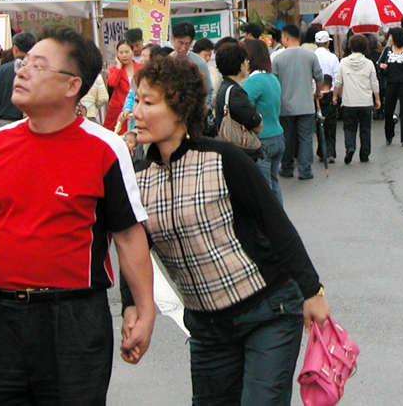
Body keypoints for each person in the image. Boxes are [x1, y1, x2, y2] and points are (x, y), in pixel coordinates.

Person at [0, 27, 156, 405]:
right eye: (23, 63)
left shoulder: (104, 148)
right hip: (4, 315)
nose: (21, 71)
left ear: (72, 86)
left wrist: (144, 311)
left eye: (37, 66)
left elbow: (129, 235)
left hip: (74, 322)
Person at [124, 55, 330, 406]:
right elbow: (134, 251)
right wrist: (133, 308)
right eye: (136, 101)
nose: (136, 112)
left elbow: (275, 225)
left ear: (179, 109)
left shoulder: (222, 158)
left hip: (269, 311)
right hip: (206, 328)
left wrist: (312, 291)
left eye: (148, 102)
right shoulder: (137, 178)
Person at [273, 24, 322, 181]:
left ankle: (286, 167)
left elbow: (274, 81)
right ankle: (305, 169)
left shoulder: (278, 58)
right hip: (306, 105)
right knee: (306, 138)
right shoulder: (310, 56)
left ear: (286, 38)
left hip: (285, 106)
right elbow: (319, 77)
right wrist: (318, 92)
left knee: (287, 137)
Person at [242, 39, 285, 203]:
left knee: (264, 189)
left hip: (262, 139)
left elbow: (246, 110)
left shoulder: (253, 81)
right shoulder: (271, 78)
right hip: (277, 135)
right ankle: (280, 221)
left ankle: (272, 224)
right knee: (273, 184)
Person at [211, 42, 263, 160]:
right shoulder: (236, 92)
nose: (247, 64)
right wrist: (258, 120)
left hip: (224, 145)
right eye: (245, 61)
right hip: (238, 151)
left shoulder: (222, 86)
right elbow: (254, 121)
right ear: (240, 65)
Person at [334, 34, 380, 165]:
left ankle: (350, 147)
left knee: (349, 127)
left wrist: (334, 96)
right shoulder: (369, 63)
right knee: (365, 128)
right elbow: (374, 83)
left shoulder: (343, 62)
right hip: (366, 101)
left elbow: (338, 81)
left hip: (349, 101)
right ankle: (364, 153)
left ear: (350, 47)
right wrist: (377, 99)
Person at [0, 31, 35, 131]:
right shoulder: (39, 70)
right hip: (33, 122)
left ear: (15, 49)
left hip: (6, 123)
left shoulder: (0, 71)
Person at [378, 27, 403, 147]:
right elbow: (379, 62)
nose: (389, 38)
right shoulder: (387, 50)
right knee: (388, 111)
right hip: (390, 83)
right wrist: (382, 66)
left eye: (391, 36)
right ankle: (389, 135)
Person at [171, 21, 214, 106]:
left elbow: (208, 91)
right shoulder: (167, 60)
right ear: (172, 39)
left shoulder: (199, 63)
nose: (183, 48)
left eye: (187, 44)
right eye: (180, 43)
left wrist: (201, 111)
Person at [312, 30, 340, 163]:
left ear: (315, 43)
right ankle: (330, 151)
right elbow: (337, 77)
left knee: (319, 123)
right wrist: (335, 93)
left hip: (315, 94)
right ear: (328, 43)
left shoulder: (311, 56)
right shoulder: (333, 58)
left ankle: (321, 150)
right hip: (329, 93)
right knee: (331, 123)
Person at [106, 40, 141, 133]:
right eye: (121, 53)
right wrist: (118, 66)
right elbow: (111, 83)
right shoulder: (114, 69)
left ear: (132, 51)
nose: (124, 55)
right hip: (118, 108)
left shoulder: (140, 68)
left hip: (135, 106)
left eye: (127, 52)